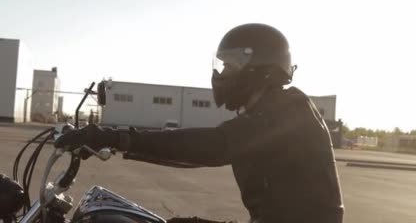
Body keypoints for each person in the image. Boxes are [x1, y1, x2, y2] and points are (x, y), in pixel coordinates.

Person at [55, 23, 344, 223]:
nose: (222, 75)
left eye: (230, 66)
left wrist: (116, 137)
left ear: (260, 68)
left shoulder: (286, 112)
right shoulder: (269, 111)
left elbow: (213, 145)